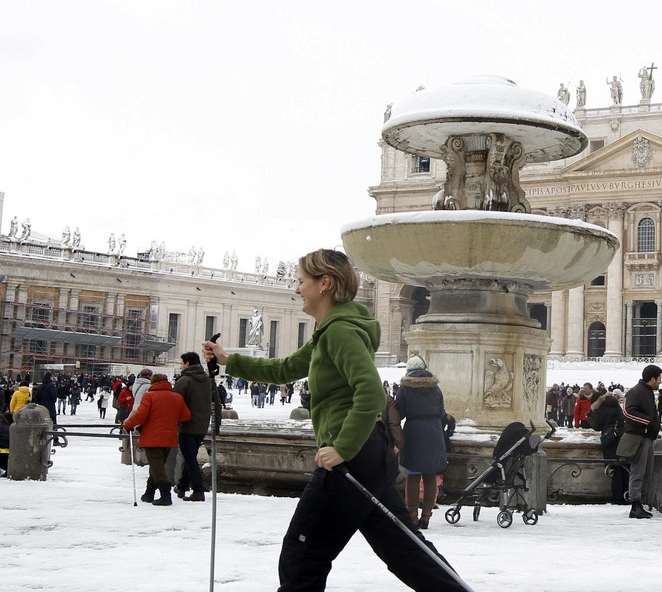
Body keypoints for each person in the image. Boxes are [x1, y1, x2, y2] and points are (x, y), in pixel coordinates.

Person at [203, 248, 465, 591]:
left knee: (302, 555)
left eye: (301, 281)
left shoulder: (340, 332)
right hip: (368, 456)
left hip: (351, 460)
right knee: (405, 549)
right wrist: (228, 360)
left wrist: (341, 448)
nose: (296, 289)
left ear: (324, 283)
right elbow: (285, 369)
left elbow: (370, 393)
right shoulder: (329, 332)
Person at [394, 356, 449, 530]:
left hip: (414, 432)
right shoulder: (435, 388)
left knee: (413, 475)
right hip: (434, 432)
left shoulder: (405, 388)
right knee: (430, 474)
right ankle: (426, 516)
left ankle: (412, 517)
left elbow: (399, 413)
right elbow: (441, 413)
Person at [123, 374, 191, 505]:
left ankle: (165, 495)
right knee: (156, 467)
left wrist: (128, 424)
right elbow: (186, 416)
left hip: (152, 437)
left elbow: (140, 415)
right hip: (169, 438)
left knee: (158, 469)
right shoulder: (177, 397)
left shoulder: (149, 396)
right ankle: (149, 493)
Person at [620, 364, 662, 519]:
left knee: (646, 472)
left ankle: (640, 503)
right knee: (638, 472)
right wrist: (648, 423)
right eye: (659, 379)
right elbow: (627, 412)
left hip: (647, 437)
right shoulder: (636, 392)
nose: (660, 382)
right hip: (639, 437)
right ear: (652, 379)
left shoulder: (647, 392)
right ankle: (635, 505)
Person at [172, 352, 213, 502]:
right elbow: (217, 401)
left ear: (188, 364)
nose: (181, 366)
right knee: (190, 456)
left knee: (189, 458)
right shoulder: (208, 380)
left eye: (182, 363)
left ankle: (198, 490)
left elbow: (174, 403)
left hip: (187, 425)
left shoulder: (184, 380)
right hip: (202, 425)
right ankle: (182, 487)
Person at [587, 390, 627, 504]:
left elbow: (597, 426)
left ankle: (617, 498)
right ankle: (626, 495)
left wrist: (590, 416)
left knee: (615, 468)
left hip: (611, 440)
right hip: (621, 438)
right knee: (624, 467)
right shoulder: (615, 404)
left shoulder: (601, 408)